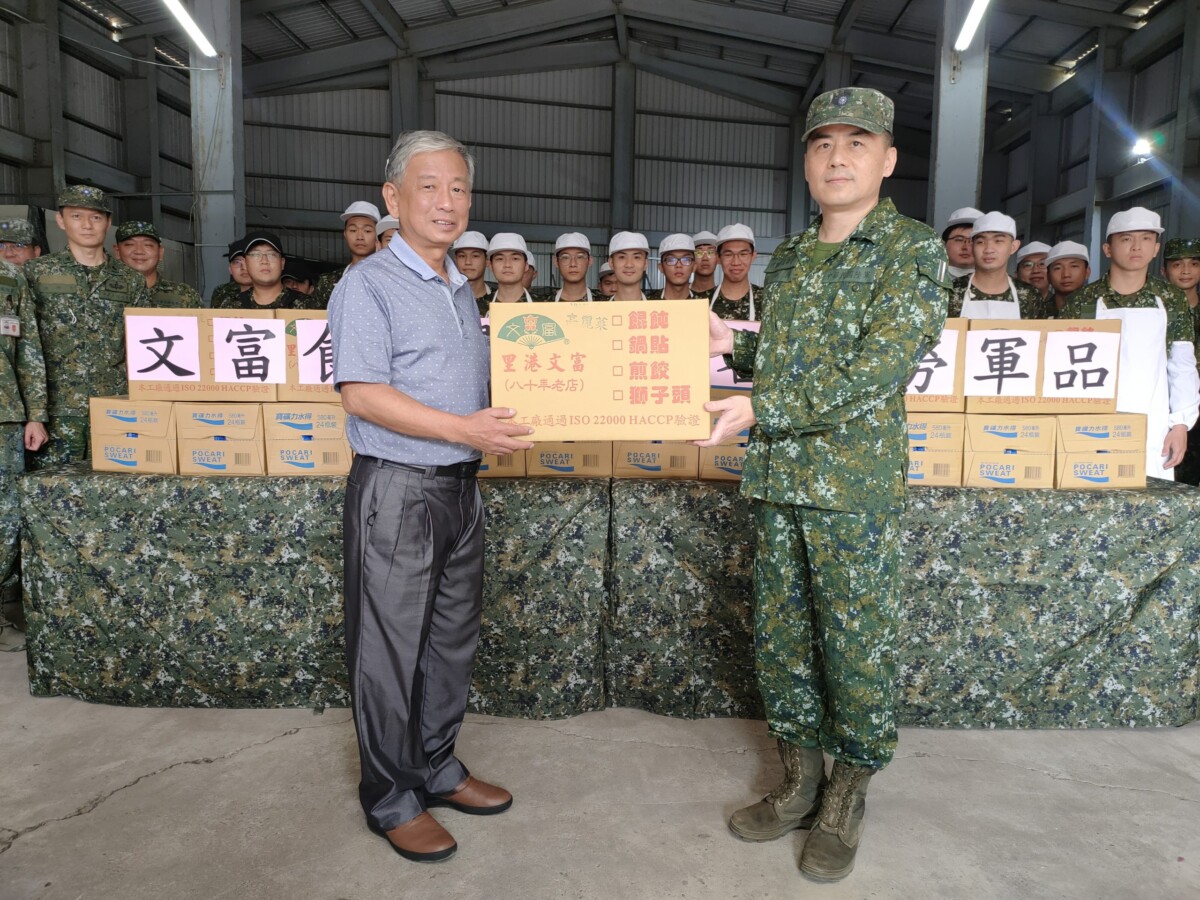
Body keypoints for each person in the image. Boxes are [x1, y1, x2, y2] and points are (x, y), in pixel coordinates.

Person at [700, 87, 950, 882]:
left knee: (855, 645)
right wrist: (728, 348)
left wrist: (756, 408)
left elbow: (870, 375)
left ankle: (848, 790)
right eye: (821, 144)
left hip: (851, 489)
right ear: (806, 160)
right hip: (779, 483)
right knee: (782, 643)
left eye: (856, 142)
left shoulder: (913, 251)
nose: (837, 157)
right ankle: (800, 779)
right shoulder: (797, 255)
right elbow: (785, 363)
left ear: (888, 159)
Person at [328, 129, 531, 863]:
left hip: (458, 487)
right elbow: (362, 394)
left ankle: (438, 767)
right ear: (393, 198)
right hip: (397, 489)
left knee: (449, 642)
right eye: (429, 187)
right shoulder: (368, 285)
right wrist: (461, 426)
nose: (447, 203)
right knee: (388, 651)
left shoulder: (459, 288)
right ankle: (390, 796)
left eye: (458, 189)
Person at [1060, 208, 1199, 480]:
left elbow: (1182, 364)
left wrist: (1181, 424)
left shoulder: (1170, 299)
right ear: (1108, 249)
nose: (1136, 247)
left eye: (1146, 239)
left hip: (1154, 424)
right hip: (1091, 424)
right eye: (1125, 239)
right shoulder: (1083, 300)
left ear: (1156, 247)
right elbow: (1063, 368)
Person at [23, 185, 151, 469]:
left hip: (116, 407)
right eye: (77, 216)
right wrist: (34, 414)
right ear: (61, 220)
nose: (86, 225)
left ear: (107, 223)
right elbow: (28, 350)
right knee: (52, 495)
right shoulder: (37, 273)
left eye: (95, 218)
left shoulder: (130, 281)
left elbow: (145, 350)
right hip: (57, 412)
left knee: (117, 493)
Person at [0, 257, 47, 599]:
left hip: (4, 413)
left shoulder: (10, 277)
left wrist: (36, 413)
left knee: (6, 517)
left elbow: (27, 348)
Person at [948, 211, 1048, 319]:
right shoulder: (950, 292)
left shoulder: (1030, 296)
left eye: (998, 241)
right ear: (972, 247)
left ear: (1013, 247)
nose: (988, 249)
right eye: (981, 242)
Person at [1162, 237, 1200, 485]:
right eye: (1177, 264)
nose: (1186, 271)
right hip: (1170, 401)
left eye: (1194, 263)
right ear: (1164, 271)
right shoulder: (1156, 310)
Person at [214, 231, 320, 311]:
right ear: (246, 263)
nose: (264, 261)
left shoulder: (309, 306)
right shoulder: (230, 306)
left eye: (271, 255)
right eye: (255, 255)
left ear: (282, 263)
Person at [112, 221, 203, 308]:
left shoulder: (185, 295)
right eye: (130, 244)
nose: (139, 251)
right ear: (117, 251)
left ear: (160, 252)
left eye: (148, 245)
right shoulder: (103, 291)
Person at [314, 201, 382, 307]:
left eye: (367, 231)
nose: (360, 237)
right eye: (353, 230)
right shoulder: (328, 281)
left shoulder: (388, 278)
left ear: (377, 235)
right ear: (345, 234)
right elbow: (319, 319)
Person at [709, 223, 762, 320]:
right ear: (718, 258)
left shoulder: (767, 300)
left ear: (753, 256)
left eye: (743, 254)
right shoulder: (701, 301)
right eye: (728, 255)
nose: (736, 262)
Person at [480, 233, 535, 315]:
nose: (507, 264)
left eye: (515, 259)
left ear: (526, 265)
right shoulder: (477, 307)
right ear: (490, 265)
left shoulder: (543, 305)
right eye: (500, 259)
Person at [648, 233, 702, 300]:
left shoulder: (704, 305)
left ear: (694, 266)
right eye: (671, 260)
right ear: (661, 267)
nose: (678, 265)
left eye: (686, 259)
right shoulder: (647, 304)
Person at [1045, 241, 1091, 314]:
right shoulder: (1038, 311)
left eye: (1074, 266)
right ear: (1048, 276)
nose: (1066, 274)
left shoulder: (1100, 308)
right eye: (1058, 268)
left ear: (1087, 272)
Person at [452, 231, 493, 308]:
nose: (468, 262)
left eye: (475, 256)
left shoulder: (499, 299)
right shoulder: (446, 297)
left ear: (487, 261)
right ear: (455, 260)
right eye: (462, 256)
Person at [551, 233, 595, 302]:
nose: (573, 264)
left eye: (580, 257)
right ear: (556, 262)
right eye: (565, 257)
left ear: (590, 261)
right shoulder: (543, 303)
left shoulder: (605, 303)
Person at [607, 231, 650, 301]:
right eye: (622, 257)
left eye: (636, 257)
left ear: (645, 263)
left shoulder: (659, 309)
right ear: (611, 263)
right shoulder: (597, 310)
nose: (629, 265)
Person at [209, 239, 252, 308]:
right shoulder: (221, 292)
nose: (244, 267)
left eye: (248, 261)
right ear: (230, 269)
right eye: (237, 262)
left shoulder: (269, 292)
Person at [941, 207, 982, 279]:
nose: (965, 247)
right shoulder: (928, 279)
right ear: (944, 244)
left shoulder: (996, 283)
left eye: (972, 241)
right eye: (959, 240)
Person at [691, 230, 719, 295]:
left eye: (711, 252)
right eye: (699, 253)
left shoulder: (726, 295)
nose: (705, 258)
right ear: (691, 258)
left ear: (718, 258)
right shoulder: (681, 296)